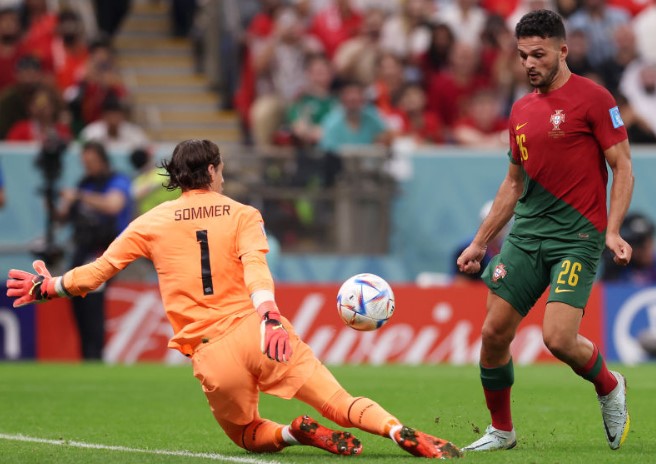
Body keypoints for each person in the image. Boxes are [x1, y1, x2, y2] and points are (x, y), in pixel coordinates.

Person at [7, 139, 462, 459]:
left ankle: (291, 433)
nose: (223, 175)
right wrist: (269, 316)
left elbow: (99, 272)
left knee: (246, 434)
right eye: (221, 168)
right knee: (339, 402)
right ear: (211, 171)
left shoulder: (152, 222)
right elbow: (255, 267)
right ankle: (397, 430)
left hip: (210, 349)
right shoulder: (244, 213)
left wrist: (51, 286)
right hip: (259, 331)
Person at [456, 9, 634, 452]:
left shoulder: (595, 99)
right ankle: (502, 431)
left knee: (557, 338)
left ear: (562, 50)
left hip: (576, 237)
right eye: (523, 56)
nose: (530, 63)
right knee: (494, 333)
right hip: (526, 235)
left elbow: (623, 167)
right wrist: (480, 242)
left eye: (539, 54)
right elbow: (514, 184)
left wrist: (613, 231)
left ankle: (610, 386)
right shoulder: (520, 109)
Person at [56, 141, 133, 360]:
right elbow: (64, 218)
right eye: (84, 163)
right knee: (77, 301)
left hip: (105, 251)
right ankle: (87, 355)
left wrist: (79, 196)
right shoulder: (85, 183)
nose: (87, 167)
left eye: (91, 162)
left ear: (102, 160)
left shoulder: (117, 180)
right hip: (82, 249)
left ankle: (95, 355)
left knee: (92, 303)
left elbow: (113, 205)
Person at [601, 212, 656, 284]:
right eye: (640, 243)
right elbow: (606, 290)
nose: (647, 249)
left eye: (650, 241)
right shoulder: (617, 263)